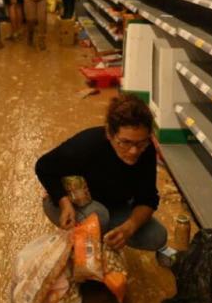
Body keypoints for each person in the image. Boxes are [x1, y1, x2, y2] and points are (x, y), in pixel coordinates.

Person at [35, 94, 167, 253]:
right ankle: (86, 252)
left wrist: (128, 228)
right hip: (72, 201)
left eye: (141, 143)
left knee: (156, 236)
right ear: (110, 135)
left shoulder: (146, 150)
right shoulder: (87, 144)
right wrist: (63, 201)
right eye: (125, 142)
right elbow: (43, 166)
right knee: (98, 216)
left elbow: (148, 198)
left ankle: (100, 240)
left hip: (113, 205)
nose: (133, 151)